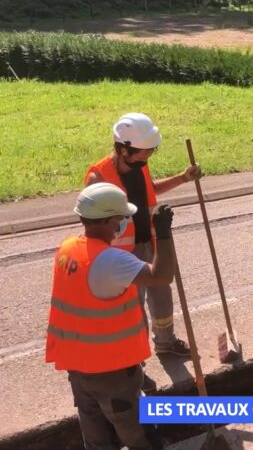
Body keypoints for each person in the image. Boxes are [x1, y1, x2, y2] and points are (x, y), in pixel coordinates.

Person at [46, 183, 177, 449]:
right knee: (134, 432)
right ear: (109, 221)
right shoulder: (111, 261)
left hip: (79, 368)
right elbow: (162, 275)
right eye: (121, 220)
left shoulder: (68, 248)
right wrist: (163, 233)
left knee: (95, 433)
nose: (123, 225)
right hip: (113, 372)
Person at [84, 113, 200, 362]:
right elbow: (91, 220)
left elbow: (151, 189)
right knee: (132, 309)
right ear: (123, 148)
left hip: (150, 243)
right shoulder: (98, 177)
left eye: (150, 151)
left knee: (162, 295)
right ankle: (136, 358)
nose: (147, 157)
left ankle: (166, 343)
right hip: (121, 254)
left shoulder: (139, 165)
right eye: (142, 152)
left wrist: (183, 177)